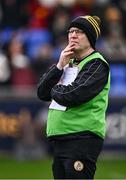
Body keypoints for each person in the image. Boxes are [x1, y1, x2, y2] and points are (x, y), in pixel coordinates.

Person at [37, 15, 110, 179]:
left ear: (90, 37)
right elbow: (42, 92)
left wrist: (54, 88)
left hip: (81, 138)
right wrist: (59, 65)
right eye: (70, 31)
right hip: (62, 139)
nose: (73, 35)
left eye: (79, 31)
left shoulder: (97, 64)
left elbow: (72, 95)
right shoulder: (68, 63)